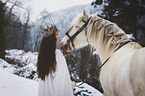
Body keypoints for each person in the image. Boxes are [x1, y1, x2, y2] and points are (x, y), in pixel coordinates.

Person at [37, 25, 74, 96]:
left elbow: (50, 75)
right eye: (56, 35)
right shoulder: (57, 55)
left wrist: (62, 57)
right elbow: (61, 82)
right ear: (52, 39)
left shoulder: (42, 55)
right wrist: (72, 85)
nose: (58, 36)